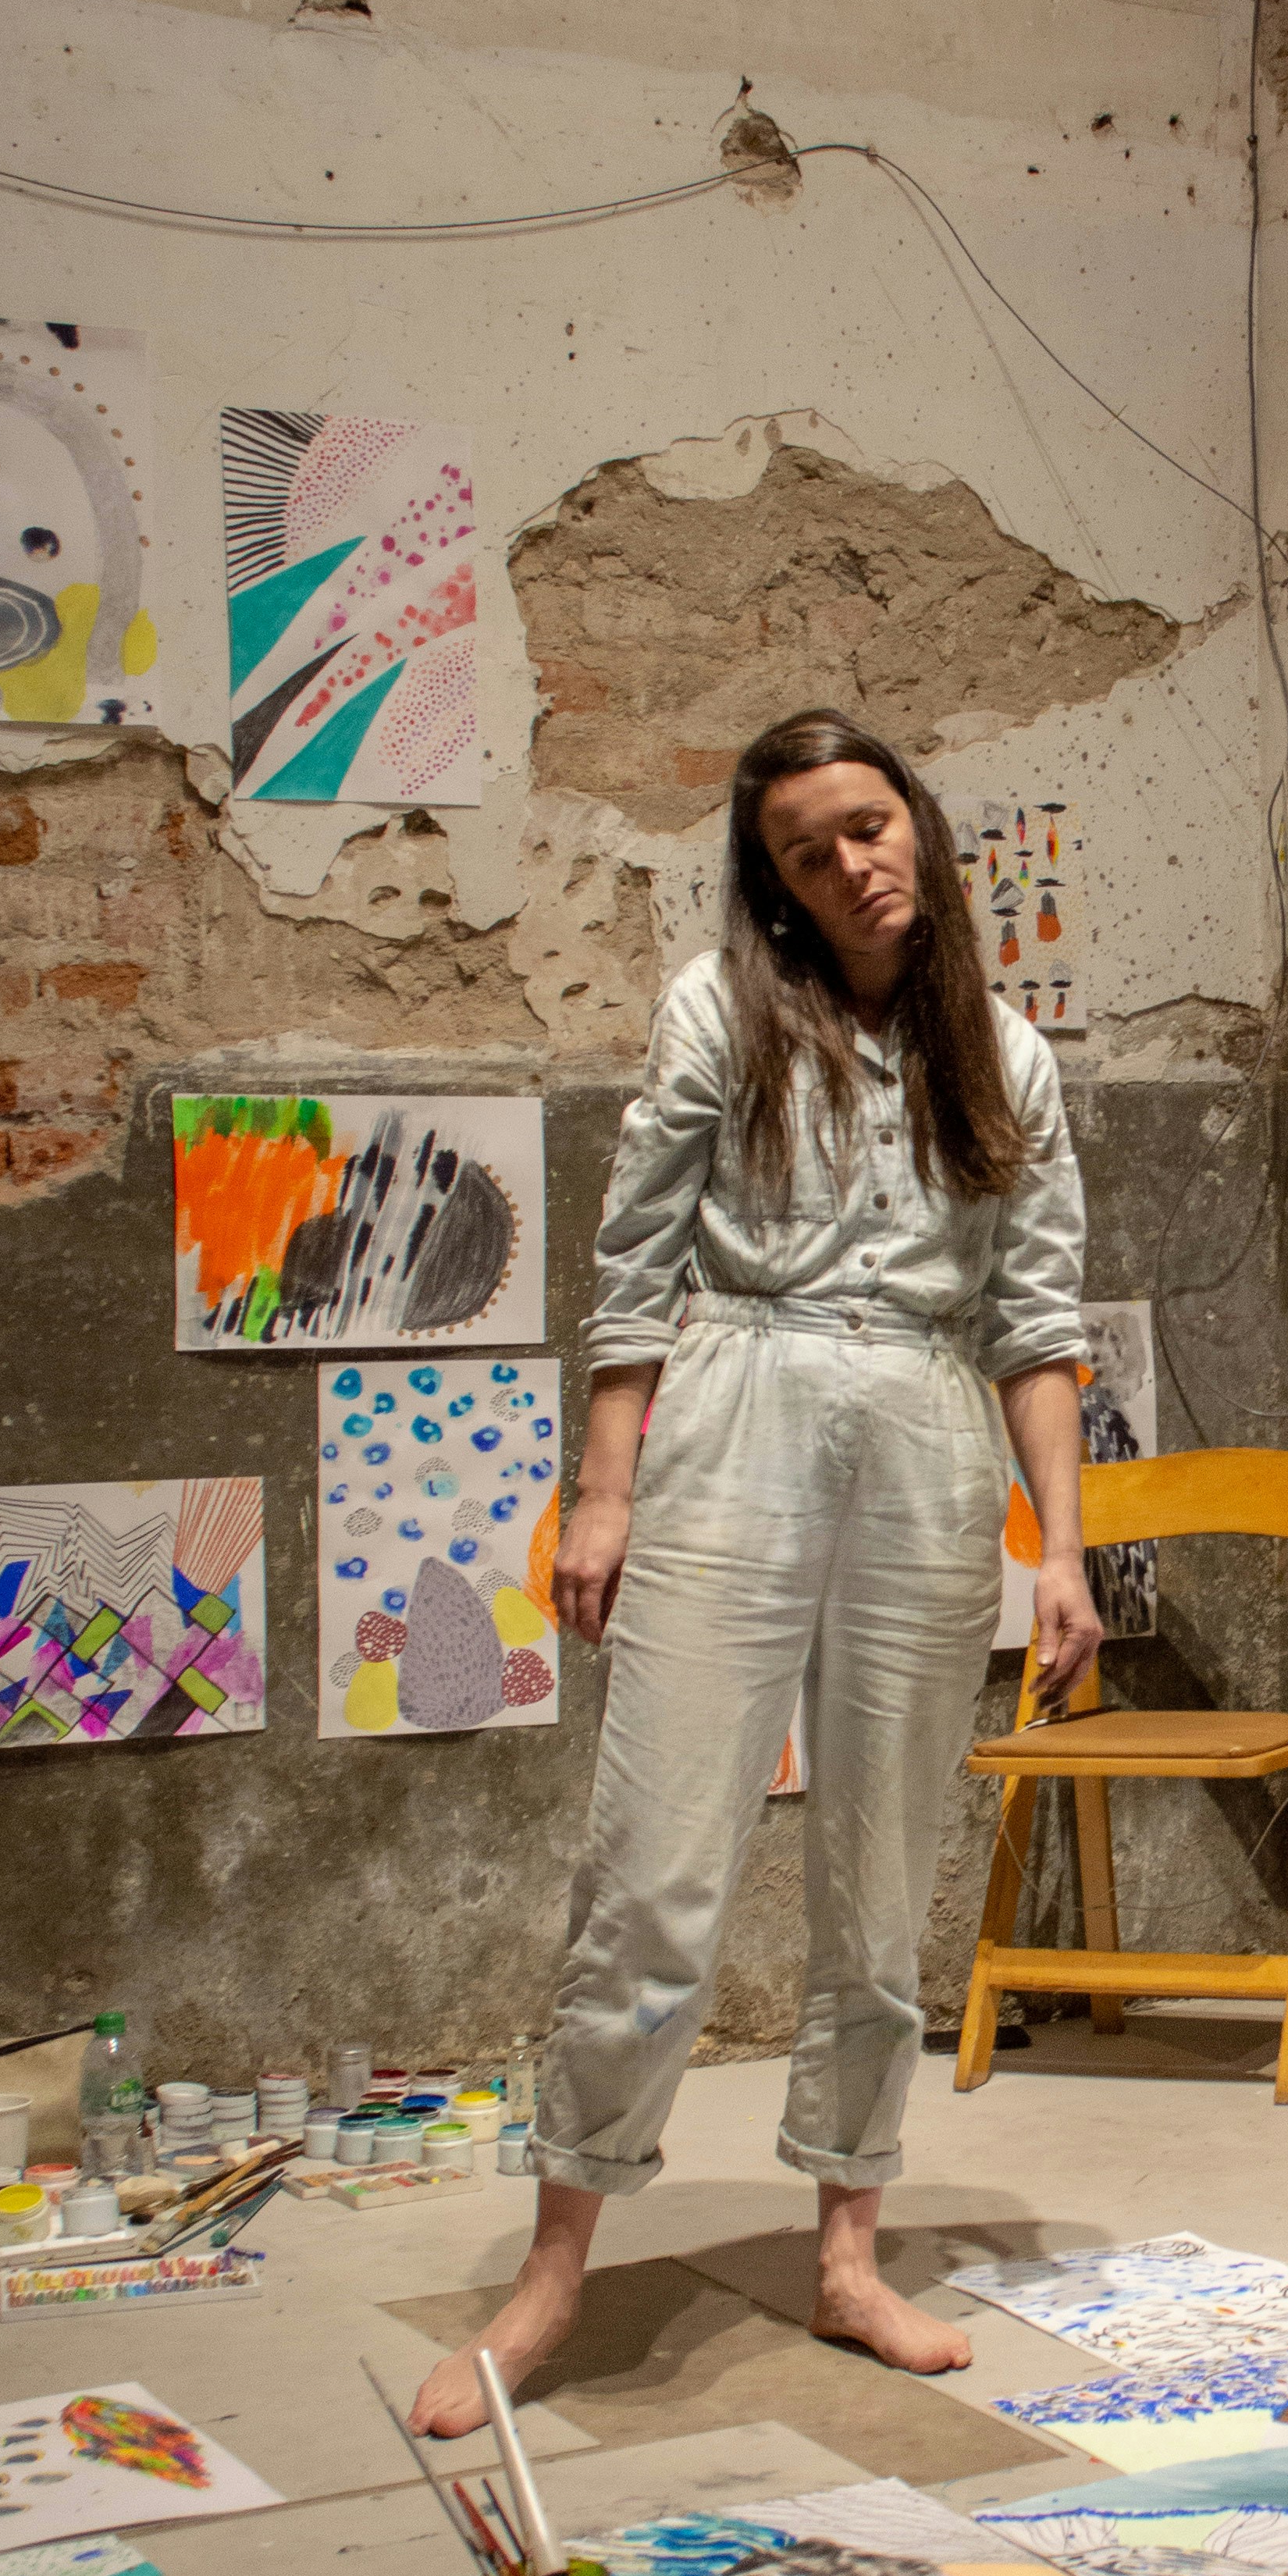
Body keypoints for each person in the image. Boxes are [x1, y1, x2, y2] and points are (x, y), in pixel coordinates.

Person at [412, 707, 1102, 2439]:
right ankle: (556, 2266)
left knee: (881, 1882)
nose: (851, 863)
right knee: (655, 1872)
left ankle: (851, 2248)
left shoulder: (1006, 1057)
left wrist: (1066, 1545)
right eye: (808, 850)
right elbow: (634, 1260)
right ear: (776, 888)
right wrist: (600, 1492)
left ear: (920, 829)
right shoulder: (723, 1013)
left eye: (869, 825)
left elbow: (1035, 1319)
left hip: (927, 1438)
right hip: (738, 1400)